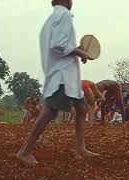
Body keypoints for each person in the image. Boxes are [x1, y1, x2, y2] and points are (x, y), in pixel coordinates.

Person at [16, 0, 98, 166]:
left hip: (65, 75)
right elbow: (58, 46)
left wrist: (77, 50)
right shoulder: (65, 15)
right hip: (62, 76)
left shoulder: (51, 19)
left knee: (81, 109)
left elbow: (60, 46)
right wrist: (80, 51)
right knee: (49, 112)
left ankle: (80, 149)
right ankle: (24, 151)